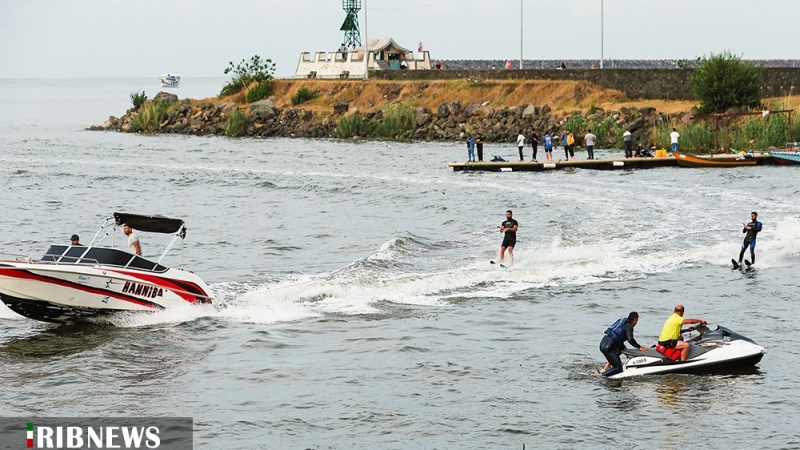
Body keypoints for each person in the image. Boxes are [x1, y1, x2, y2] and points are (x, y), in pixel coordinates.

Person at [599, 311, 649, 376]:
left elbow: (616, 336)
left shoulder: (622, 321)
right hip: (608, 347)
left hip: (603, 343)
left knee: (621, 349)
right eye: (637, 321)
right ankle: (600, 376)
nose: (636, 323)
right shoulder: (629, 326)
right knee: (618, 368)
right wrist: (639, 347)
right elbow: (630, 339)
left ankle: (606, 367)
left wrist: (623, 348)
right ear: (634, 320)